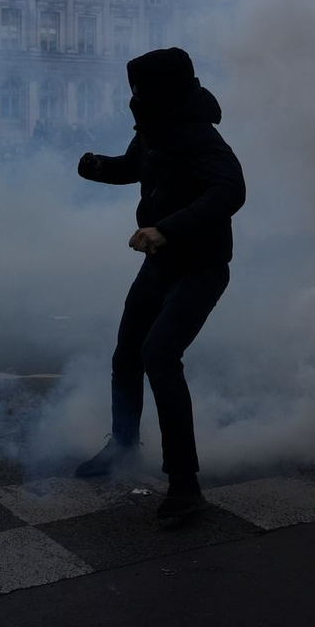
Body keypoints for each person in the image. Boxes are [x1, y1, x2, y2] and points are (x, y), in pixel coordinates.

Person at [74, 47, 245, 523]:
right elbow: (135, 169)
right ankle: (124, 447)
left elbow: (231, 189)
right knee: (127, 354)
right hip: (159, 266)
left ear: (158, 89)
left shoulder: (197, 134)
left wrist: (167, 227)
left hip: (201, 268)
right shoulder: (155, 128)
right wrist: (95, 167)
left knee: (159, 355)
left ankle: (185, 485)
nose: (132, 96)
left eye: (138, 87)